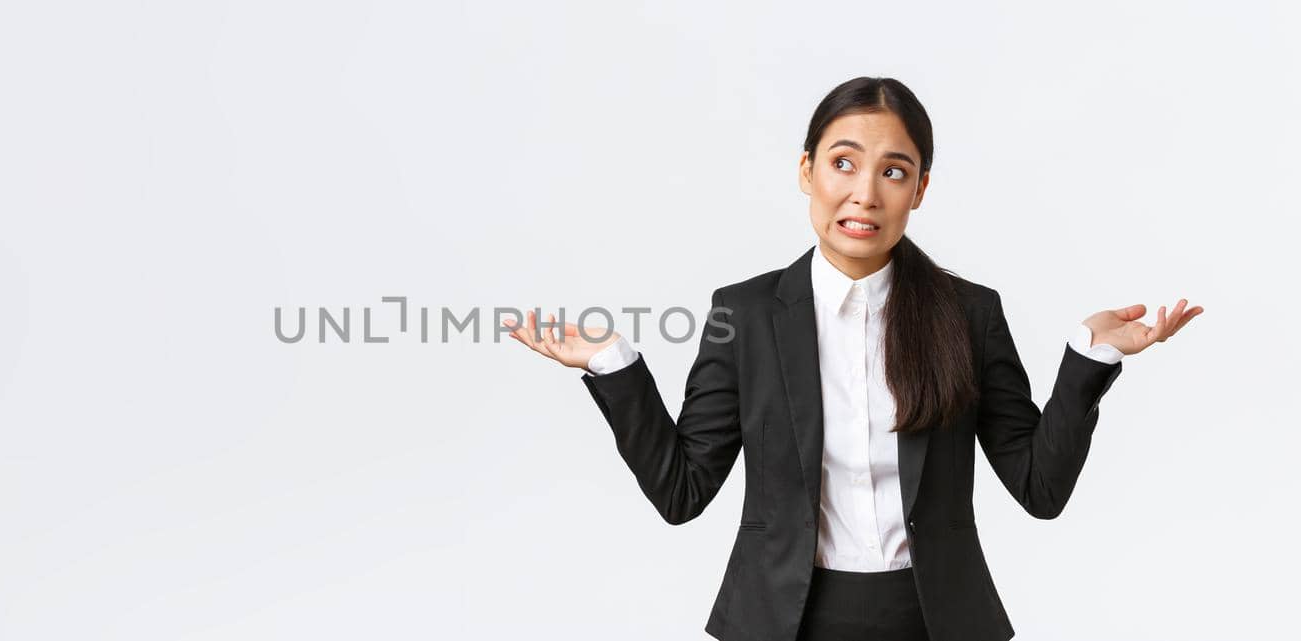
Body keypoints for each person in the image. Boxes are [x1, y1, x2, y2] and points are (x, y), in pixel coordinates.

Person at [502, 76, 1203, 641]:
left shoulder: (969, 313)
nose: (865, 193)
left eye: (893, 171)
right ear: (807, 172)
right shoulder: (743, 314)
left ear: (920, 188)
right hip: (783, 620)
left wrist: (1091, 357)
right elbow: (682, 491)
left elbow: (1038, 487)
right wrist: (614, 364)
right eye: (843, 163)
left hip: (936, 619)